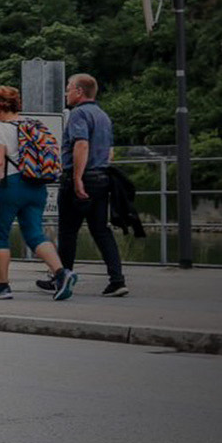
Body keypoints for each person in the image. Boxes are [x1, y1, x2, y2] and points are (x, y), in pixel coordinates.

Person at [0, 86, 77, 300]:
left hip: (10, 186)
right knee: (34, 233)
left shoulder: (0, 129)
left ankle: (2, 286)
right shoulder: (33, 125)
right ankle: (61, 273)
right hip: (36, 186)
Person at [47, 73, 128, 297]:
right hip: (102, 178)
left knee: (68, 232)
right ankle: (117, 280)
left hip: (82, 177)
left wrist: (77, 179)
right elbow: (109, 151)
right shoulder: (103, 116)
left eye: (68, 88)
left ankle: (62, 278)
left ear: (79, 92)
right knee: (101, 230)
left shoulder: (78, 114)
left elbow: (81, 145)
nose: (66, 93)